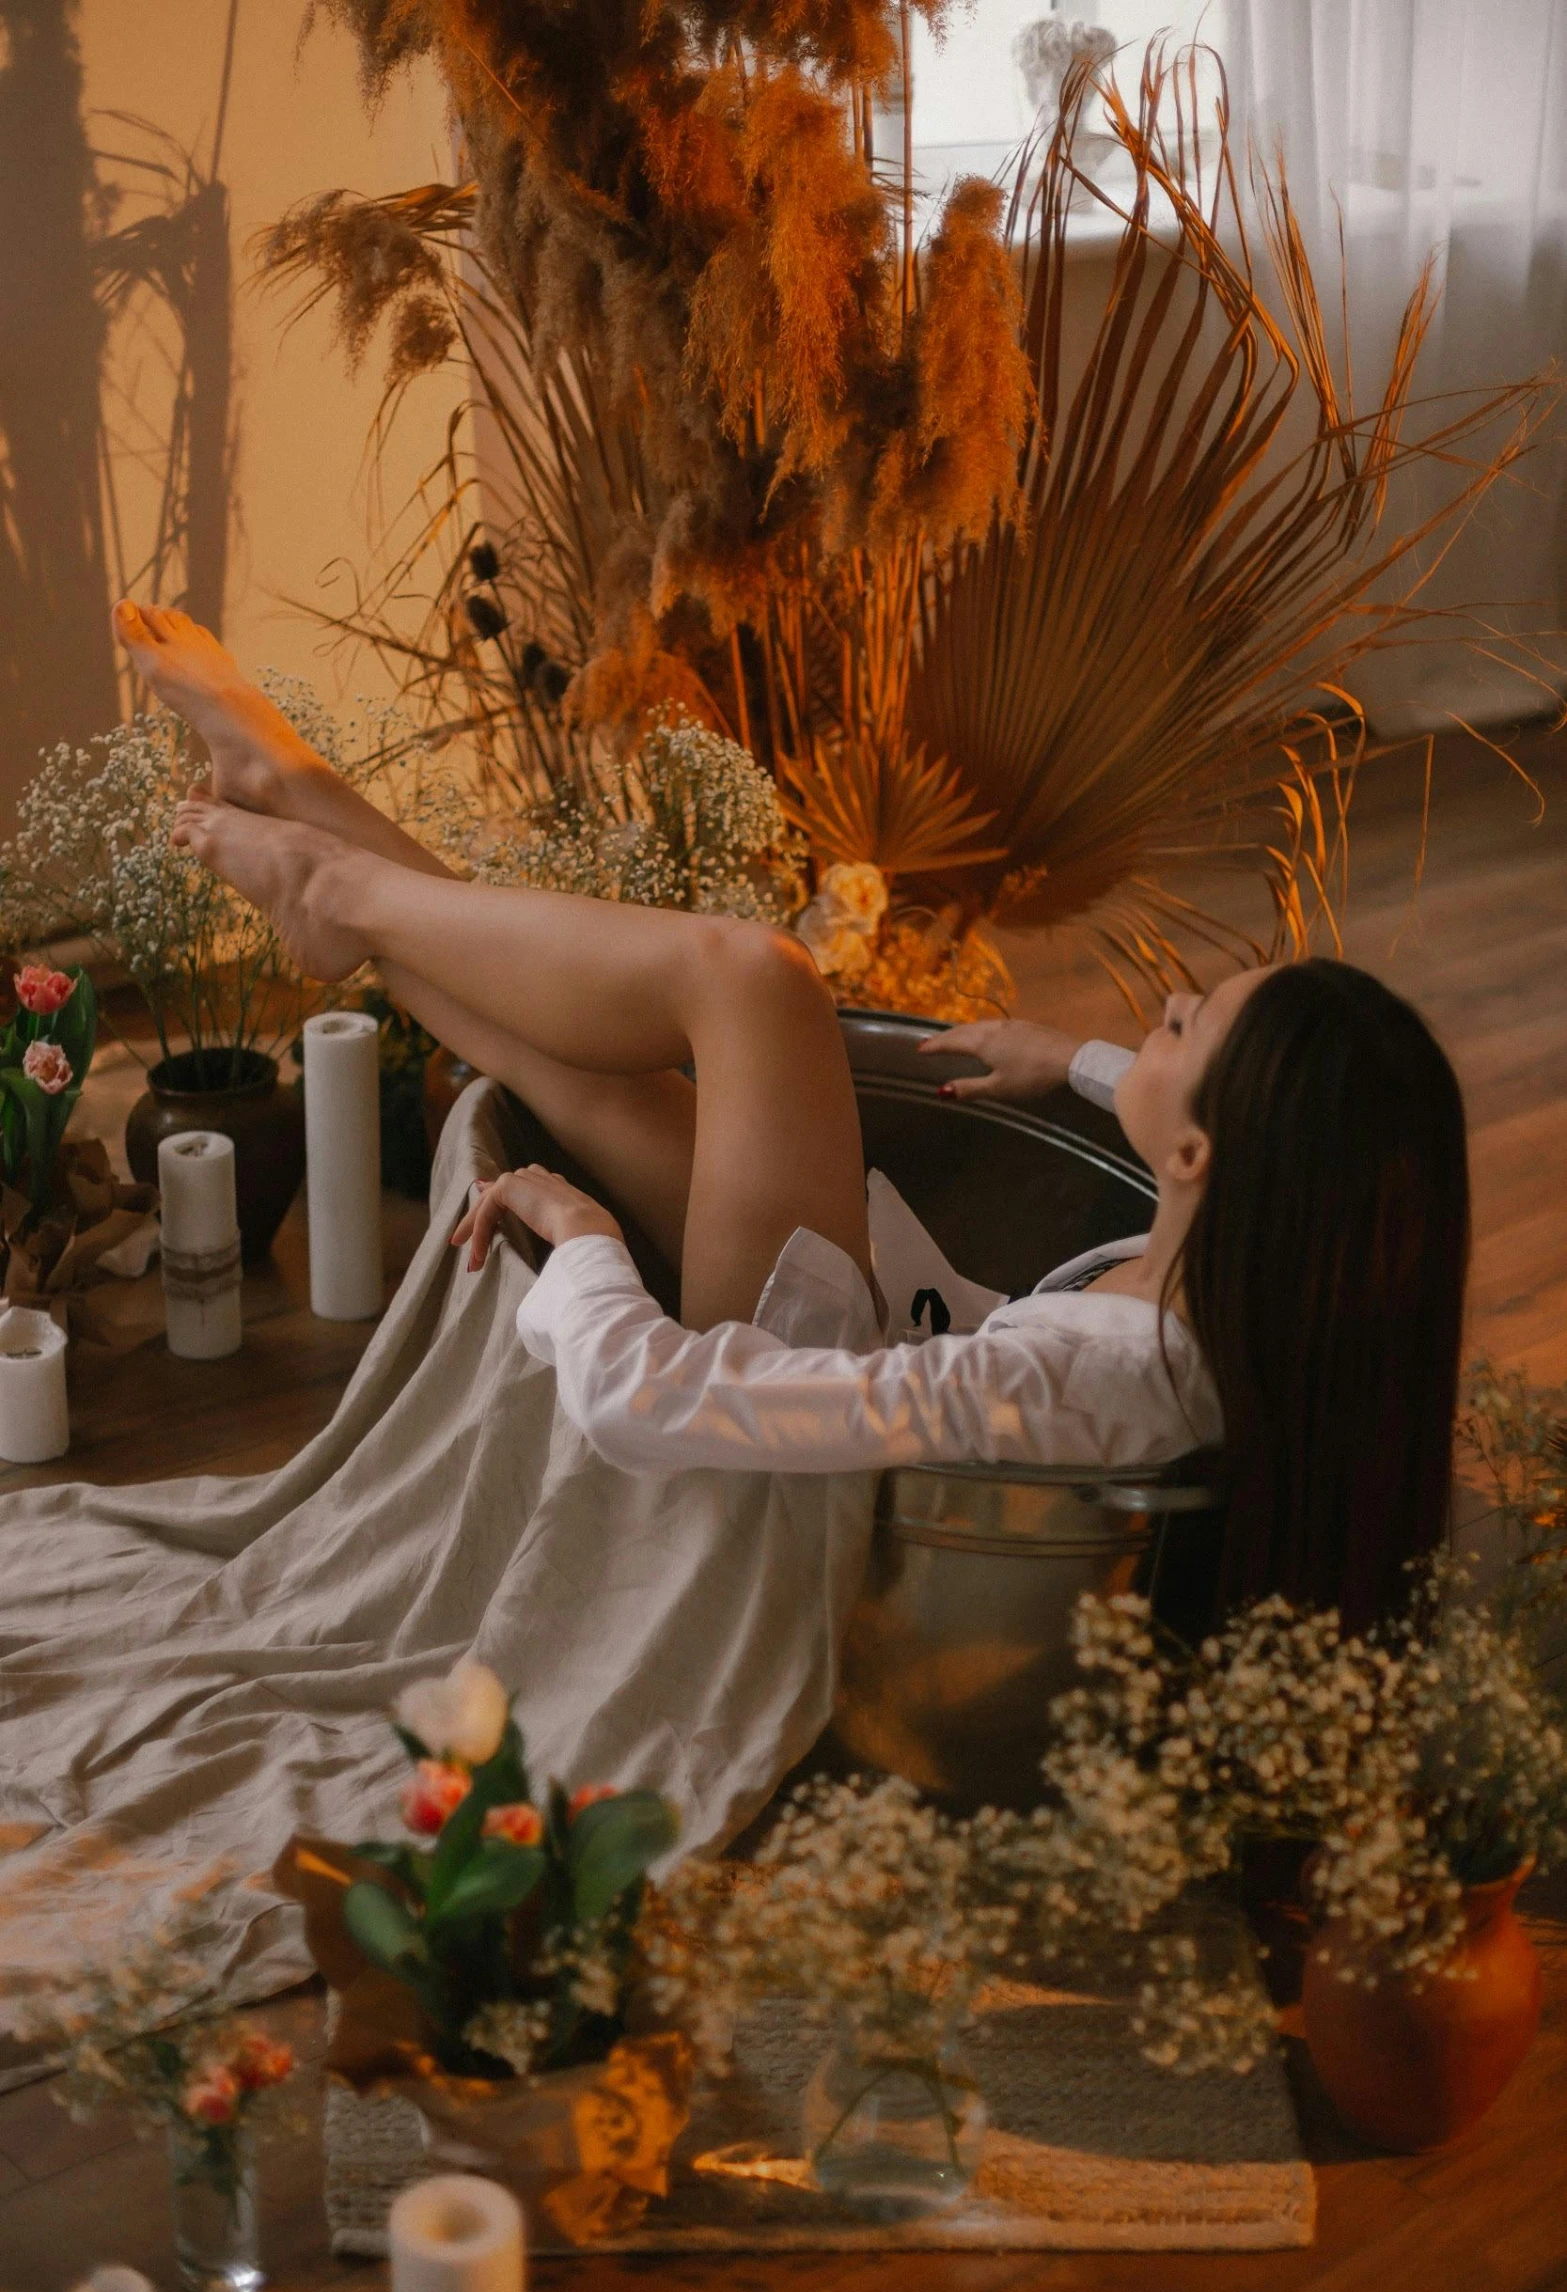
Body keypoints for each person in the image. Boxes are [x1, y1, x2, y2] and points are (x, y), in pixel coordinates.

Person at [112, 602, 1470, 1632]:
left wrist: (585, 1246)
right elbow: (1212, 1139)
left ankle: (330, 877)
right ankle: (312, 821)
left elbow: (653, 1403)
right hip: (877, 1301)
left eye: (1184, 1026)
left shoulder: (1082, 1382)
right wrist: (1086, 1063)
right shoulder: (1234, 1278)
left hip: (797, 1478)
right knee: (590, 1082)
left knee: (752, 982)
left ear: (1201, 1156)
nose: (1158, 1009)